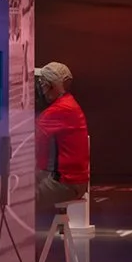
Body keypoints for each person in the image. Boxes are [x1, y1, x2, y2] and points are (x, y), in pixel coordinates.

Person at [35, 62, 90, 214]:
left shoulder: (59, 110)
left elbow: (30, 138)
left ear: (52, 86)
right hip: (72, 180)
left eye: (43, 85)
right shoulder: (68, 103)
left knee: (20, 199)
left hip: (66, 183)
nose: (41, 91)